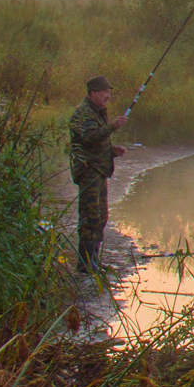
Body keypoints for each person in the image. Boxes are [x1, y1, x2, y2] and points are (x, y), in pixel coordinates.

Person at [69, 75, 127, 274]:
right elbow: (88, 138)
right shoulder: (82, 113)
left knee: (101, 217)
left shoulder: (98, 112)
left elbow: (98, 142)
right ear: (93, 93)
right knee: (90, 217)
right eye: (104, 92)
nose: (107, 96)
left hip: (99, 171)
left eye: (109, 92)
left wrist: (112, 151)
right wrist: (112, 127)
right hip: (88, 171)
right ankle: (84, 264)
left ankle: (93, 260)